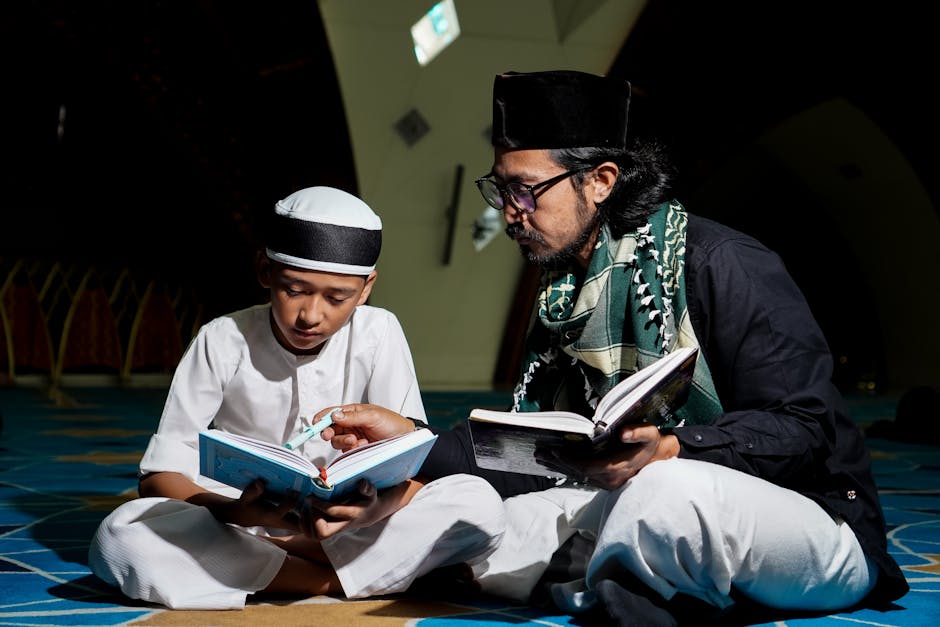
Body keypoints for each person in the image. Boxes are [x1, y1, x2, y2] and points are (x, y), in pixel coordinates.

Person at [322, 71, 909, 625]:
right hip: (637, 504)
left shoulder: (724, 264)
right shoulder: (568, 292)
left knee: (662, 492)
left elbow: (804, 430)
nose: (508, 215)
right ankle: (618, 577)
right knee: (467, 504)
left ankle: (609, 582)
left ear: (600, 180)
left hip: (809, 522)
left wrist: (673, 449)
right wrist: (410, 444)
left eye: (525, 192)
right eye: (501, 191)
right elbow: (536, 450)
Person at [87, 186, 505, 610]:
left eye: (337, 297)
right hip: (244, 520)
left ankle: (287, 569)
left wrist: (371, 510)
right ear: (265, 271)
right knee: (121, 535)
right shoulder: (222, 338)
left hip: (353, 523)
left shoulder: (380, 333)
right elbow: (159, 477)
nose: (310, 314)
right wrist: (240, 513)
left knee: (478, 501)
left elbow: (411, 468)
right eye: (294, 289)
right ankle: (339, 580)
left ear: (365, 289)